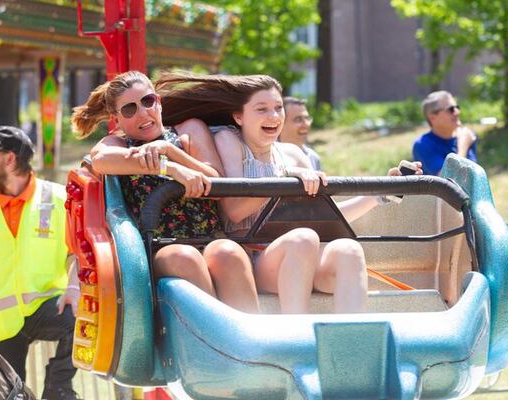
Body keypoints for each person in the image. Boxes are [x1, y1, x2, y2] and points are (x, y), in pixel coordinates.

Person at [156, 72, 420, 314]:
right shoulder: (229, 141)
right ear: (239, 117)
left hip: (301, 255)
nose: (274, 116)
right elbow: (233, 211)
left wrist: (379, 194)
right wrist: (282, 180)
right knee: (302, 238)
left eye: (278, 108)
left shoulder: (293, 154)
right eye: (262, 109)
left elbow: (325, 216)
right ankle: (297, 335)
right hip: (254, 257)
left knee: (347, 249)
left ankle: (352, 346)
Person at [71, 70, 259, 313]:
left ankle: (253, 346)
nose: (143, 112)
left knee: (228, 253)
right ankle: (215, 346)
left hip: (207, 238)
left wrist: (171, 152)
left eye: (147, 101)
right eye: (130, 109)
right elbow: (101, 161)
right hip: (160, 247)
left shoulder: (187, 131)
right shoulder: (118, 144)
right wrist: (168, 168)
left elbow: (215, 183)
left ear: (158, 102)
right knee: (185, 258)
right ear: (116, 119)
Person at [0, 126, 79, 400]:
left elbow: (76, 254)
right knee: (9, 396)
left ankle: (58, 388)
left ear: (10, 159)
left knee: (85, 317)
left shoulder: (59, 198)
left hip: (42, 306)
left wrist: (74, 289)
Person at [412, 90, 478, 176]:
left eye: (457, 107)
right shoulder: (422, 144)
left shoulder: (466, 136)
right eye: (451, 109)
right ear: (433, 118)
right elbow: (447, 180)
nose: (457, 112)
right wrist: (463, 147)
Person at [279, 96, 321, 170]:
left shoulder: (313, 157)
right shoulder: (268, 157)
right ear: (280, 123)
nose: (306, 124)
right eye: (298, 119)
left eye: (307, 118)